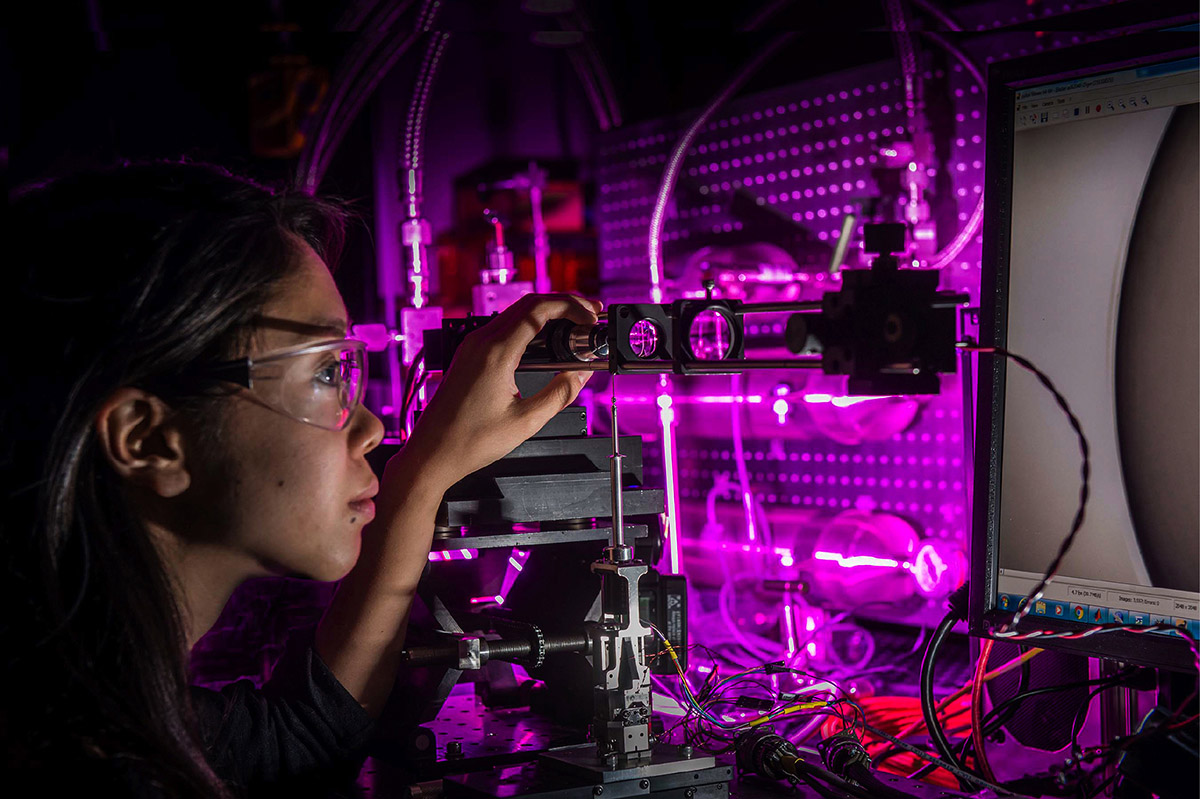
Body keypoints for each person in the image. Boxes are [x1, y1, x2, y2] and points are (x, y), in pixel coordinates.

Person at [1, 159, 600, 797]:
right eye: (323, 372)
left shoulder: (106, 712)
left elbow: (303, 738)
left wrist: (424, 473)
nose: (370, 426)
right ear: (150, 440)